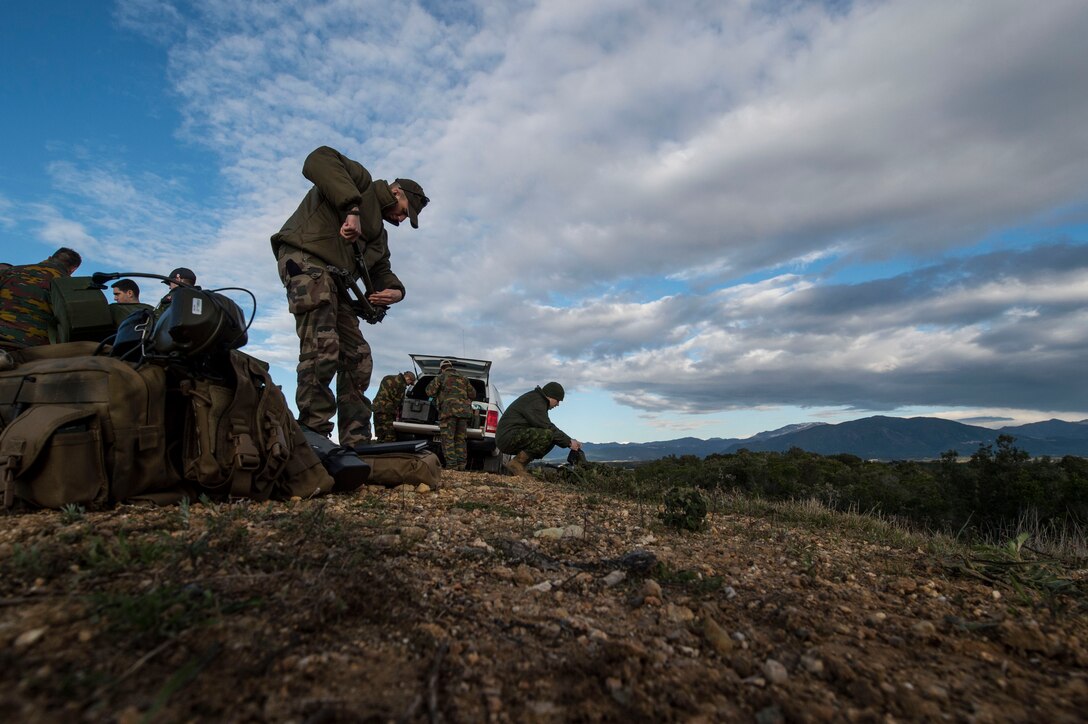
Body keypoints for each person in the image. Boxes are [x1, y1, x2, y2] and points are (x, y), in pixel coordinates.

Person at [270, 146, 428, 447]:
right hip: (306, 261)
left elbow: (382, 269)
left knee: (358, 358)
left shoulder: (379, 236)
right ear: (396, 192)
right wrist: (351, 210)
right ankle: (313, 435)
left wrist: (396, 291)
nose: (403, 219)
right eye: (406, 211)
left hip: (337, 285)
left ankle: (355, 443)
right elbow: (316, 158)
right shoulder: (360, 182)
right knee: (322, 346)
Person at [0, 247, 82, 351]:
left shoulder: (10, 271)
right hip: (35, 350)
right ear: (73, 269)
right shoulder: (72, 287)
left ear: (49, 258)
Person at [496, 381, 582, 479]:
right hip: (507, 437)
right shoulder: (536, 402)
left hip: (510, 436)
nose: (557, 404)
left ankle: (519, 466)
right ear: (550, 396)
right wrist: (569, 442)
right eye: (557, 400)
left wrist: (569, 441)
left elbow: (548, 427)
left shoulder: (536, 400)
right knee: (548, 435)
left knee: (553, 438)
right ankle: (516, 464)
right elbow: (547, 427)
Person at [426, 359, 476, 470]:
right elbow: (473, 394)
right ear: (451, 366)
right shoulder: (464, 378)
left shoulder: (441, 377)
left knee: (448, 439)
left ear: (442, 368)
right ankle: (462, 466)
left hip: (448, 413)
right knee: (460, 439)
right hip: (463, 414)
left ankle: (452, 466)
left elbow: (429, 392)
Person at [372, 369, 416, 442]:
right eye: (410, 383)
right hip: (386, 411)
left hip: (376, 408)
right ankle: (388, 452)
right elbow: (397, 402)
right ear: (408, 378)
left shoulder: (388, 377)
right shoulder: (401, 384)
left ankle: (377, 451)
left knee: (381, 436)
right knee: (390, 437)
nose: (408, 385)